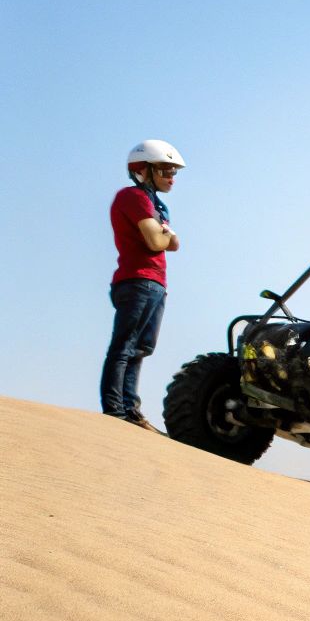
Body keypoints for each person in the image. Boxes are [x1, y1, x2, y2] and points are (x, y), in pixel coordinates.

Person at [102, 140, 184, 429]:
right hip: (137, 280)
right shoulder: (132, 197)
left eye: (174, 171)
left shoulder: (155, 205)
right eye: (165, 170)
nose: (171, 177)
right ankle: (115, 411)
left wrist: (168, 237)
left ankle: (130, 408)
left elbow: (168, 242)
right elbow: (157, 241)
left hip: (155, 284)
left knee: (141, 348)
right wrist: (168, 236)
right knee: (124, 346)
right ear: (143, 170)